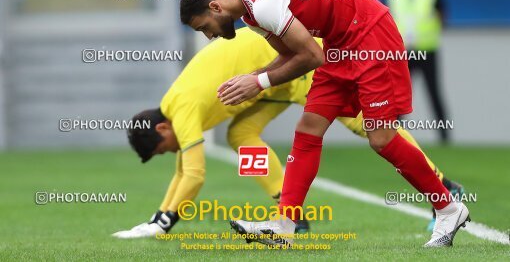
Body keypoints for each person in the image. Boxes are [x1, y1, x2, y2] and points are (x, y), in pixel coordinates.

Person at [179, 0, 470, 247]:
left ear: (216, 8)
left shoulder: (263, 3)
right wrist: (254, 76)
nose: (209, 35)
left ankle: (448, 208)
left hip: (369, 33)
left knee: (381, 138)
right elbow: (292, 55)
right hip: (339, 42)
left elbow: (311, 57)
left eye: (205, 27)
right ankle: (284, 224)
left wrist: (259, 83)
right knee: (308, 128)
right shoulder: (250, 13)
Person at [111, 27, 461, 238]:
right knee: (240, 136)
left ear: (162, 128)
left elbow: (194, 173)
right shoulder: (175, 105)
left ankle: (442, 185)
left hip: (289, 66)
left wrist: (164, 220)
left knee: (369, 126)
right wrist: (161, 215)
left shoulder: (181, 106)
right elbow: (182, 171)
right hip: (267, 85)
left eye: (165, 148)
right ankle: (288, 209)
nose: (172, 152)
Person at [388, 0, 450, 143]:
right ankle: (396, 136)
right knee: (399, 94)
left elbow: (442, 12)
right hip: (403, 50)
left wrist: (433, 30)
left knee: (433, 92)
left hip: (427, 48)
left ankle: (444, 137)